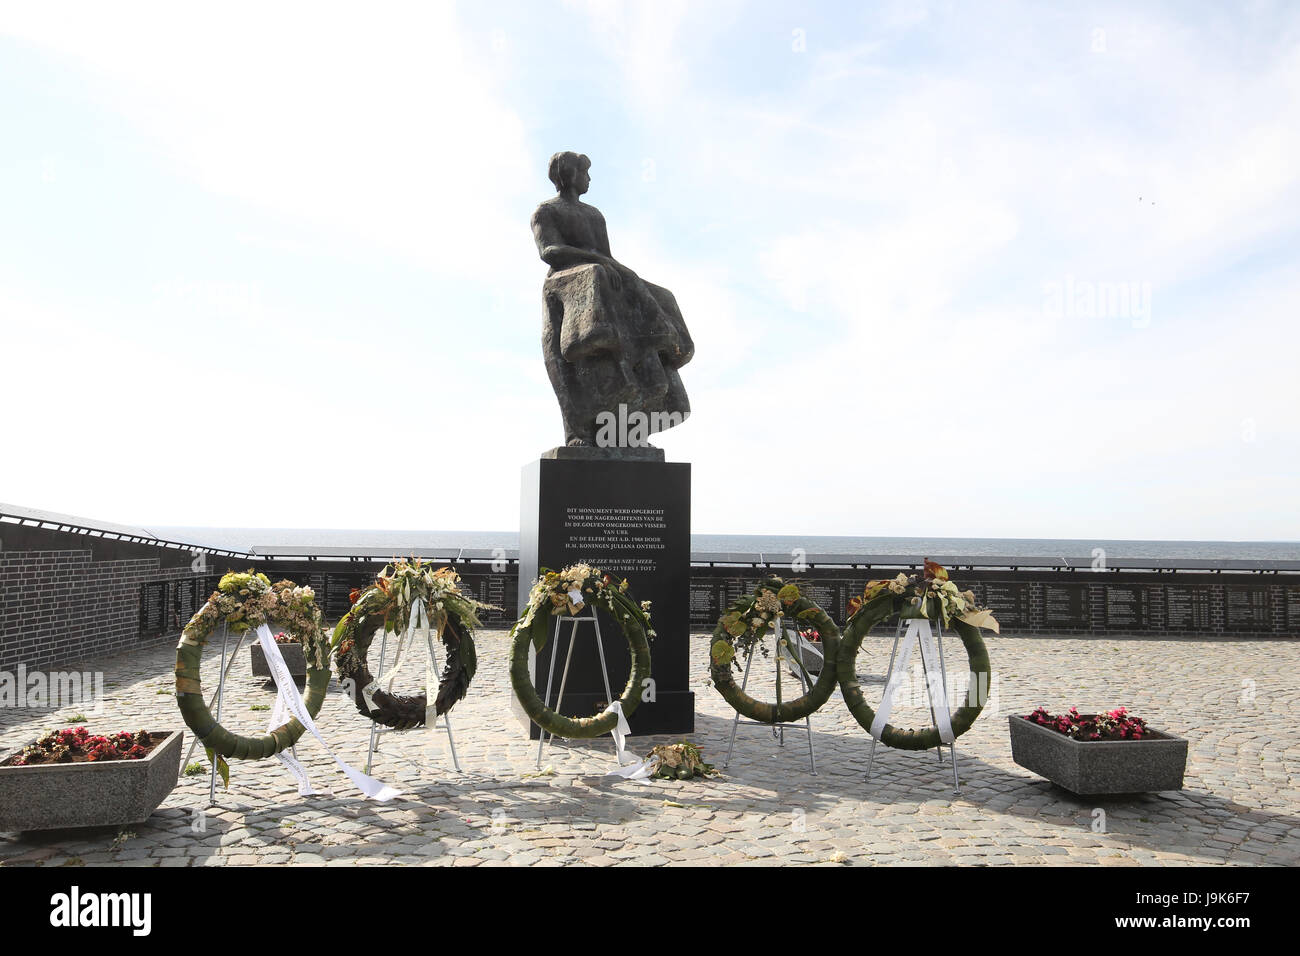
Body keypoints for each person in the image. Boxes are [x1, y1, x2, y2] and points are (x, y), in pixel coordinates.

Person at [531, 151, 693, 448]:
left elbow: (608, 256)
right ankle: (594, 335)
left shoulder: (594, 215)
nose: (589, 178)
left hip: (599, 274)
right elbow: (549, 252)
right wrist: (595, 260)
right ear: (569, 175)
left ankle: (661, 343)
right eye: (584, 173)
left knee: (661, 295)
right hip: (566, 280)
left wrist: (618, 270)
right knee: (595, 273)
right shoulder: (546, 211)